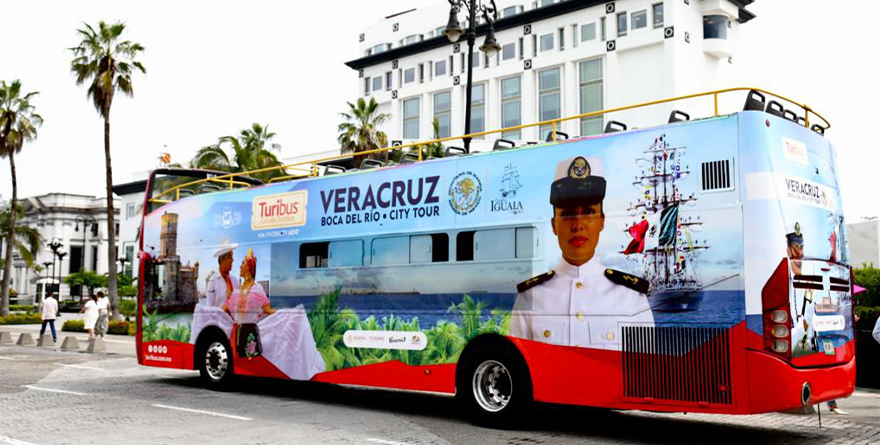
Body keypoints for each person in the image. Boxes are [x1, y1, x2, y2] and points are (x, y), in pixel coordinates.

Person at [510, 156, 654, 349]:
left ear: (601, 221)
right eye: (568, 214)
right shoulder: (530, 297)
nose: (578, 224)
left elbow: (642, 371)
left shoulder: (630, 297)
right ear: (554, 225)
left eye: (588, 212)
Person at [223, 249, 275, 358]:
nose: (240, 267)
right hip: (236, 335)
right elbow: (226, 309)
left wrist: (287, 313)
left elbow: (268, 310)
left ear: (248, 267)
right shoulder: (237, 290)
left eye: (242, 263)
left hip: (250, 334)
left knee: (251, 366)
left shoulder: (257, 288)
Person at [206, 238, 239, 307]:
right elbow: (209, 309)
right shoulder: (213, 281)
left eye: (232, 257)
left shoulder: (235, 281)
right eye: (230, 257)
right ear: (221, 260)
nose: (232, 260)